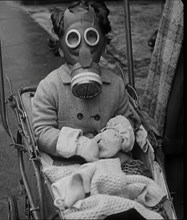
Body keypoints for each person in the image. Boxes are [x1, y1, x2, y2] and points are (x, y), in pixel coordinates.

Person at [32, 0, 141, 164]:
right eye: (73, 39)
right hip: (68, 166)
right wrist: (76, 144)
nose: (84, 50)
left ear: (103, 44)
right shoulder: (50, 87)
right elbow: (41, 132)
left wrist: (116, 135)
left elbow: (128, 120)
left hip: (110, 161)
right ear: (61, 48)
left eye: (91, 36)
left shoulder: (115, 85)